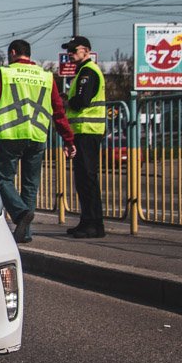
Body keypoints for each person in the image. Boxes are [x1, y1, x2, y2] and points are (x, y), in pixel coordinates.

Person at [0, 39, 76, 243]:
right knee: (30, 185)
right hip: (37, 135)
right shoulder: (46, 76)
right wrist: (69, 140)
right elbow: (58, 110)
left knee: (3, 180)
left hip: (12, 134)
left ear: (13, 52)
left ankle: (19, 214)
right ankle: (24, 233)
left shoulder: (7, 73)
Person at [62, 35, 107, 238]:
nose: (70, 54)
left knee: (87, 178)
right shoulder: (82, 72)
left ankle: (94, 224)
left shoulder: (88, 72)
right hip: (84, 132)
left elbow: (82, 101)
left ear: (86, 51)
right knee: (83, 179)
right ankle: (87, 221)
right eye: (69, 50)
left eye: (74, 50)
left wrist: (66, 102)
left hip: (88, 132)